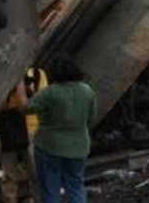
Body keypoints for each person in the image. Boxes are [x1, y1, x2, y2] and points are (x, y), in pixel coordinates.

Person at [25, 56, 97, 203]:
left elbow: (28, 108)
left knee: (50, 187)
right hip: (78, 146)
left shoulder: (50, 92)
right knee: (75, 185)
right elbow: (91, 117)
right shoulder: (87, 91)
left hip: (48, 145)